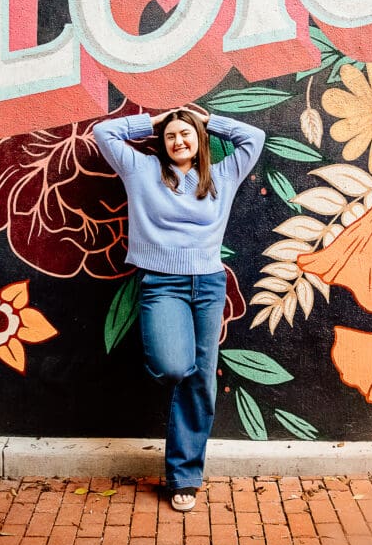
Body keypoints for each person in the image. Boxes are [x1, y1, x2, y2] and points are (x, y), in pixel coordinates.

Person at [93, 105, 265, 512]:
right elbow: (104, 133)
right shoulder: (141, 170)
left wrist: (208, 121)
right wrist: (154, 120)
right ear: (161, 142)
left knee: (201, 379)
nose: (178, 141)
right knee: (175, 367)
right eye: (170, 135)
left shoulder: (222, 175)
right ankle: (183, 463)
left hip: (208, 283)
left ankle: (183, 476)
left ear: (200, 140)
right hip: (161, 283)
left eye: (186, 134)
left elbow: (254, 138)